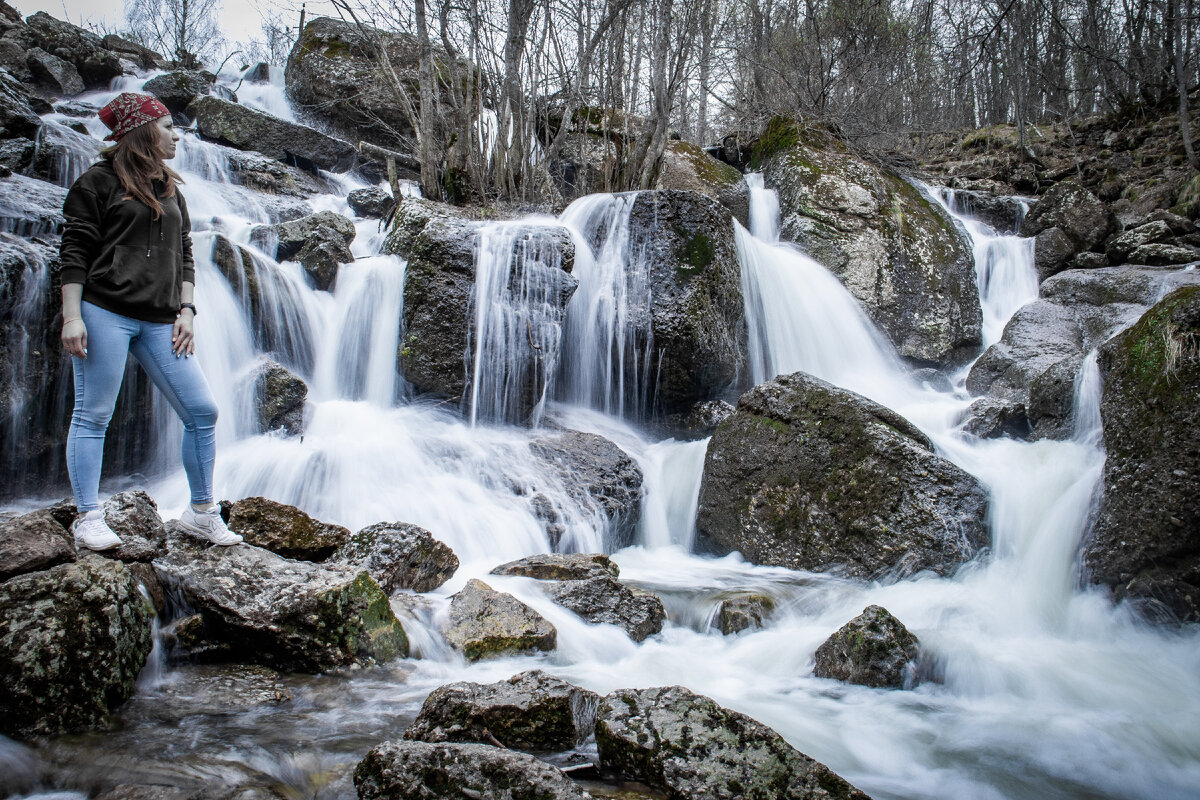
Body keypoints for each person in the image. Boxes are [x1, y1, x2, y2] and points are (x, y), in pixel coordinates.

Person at [58, 91, 241, 549]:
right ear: (142, 130)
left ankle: (201, 512)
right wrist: (72, 317)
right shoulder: (96, 183)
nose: (177, 134)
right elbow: (75, 253)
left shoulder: (170, 188)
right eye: (168, 126)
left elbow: (184, 254)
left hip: (162, 321)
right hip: (105, 312)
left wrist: (187, 310)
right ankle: (87, 516)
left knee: (202, 411)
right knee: (93, 414)